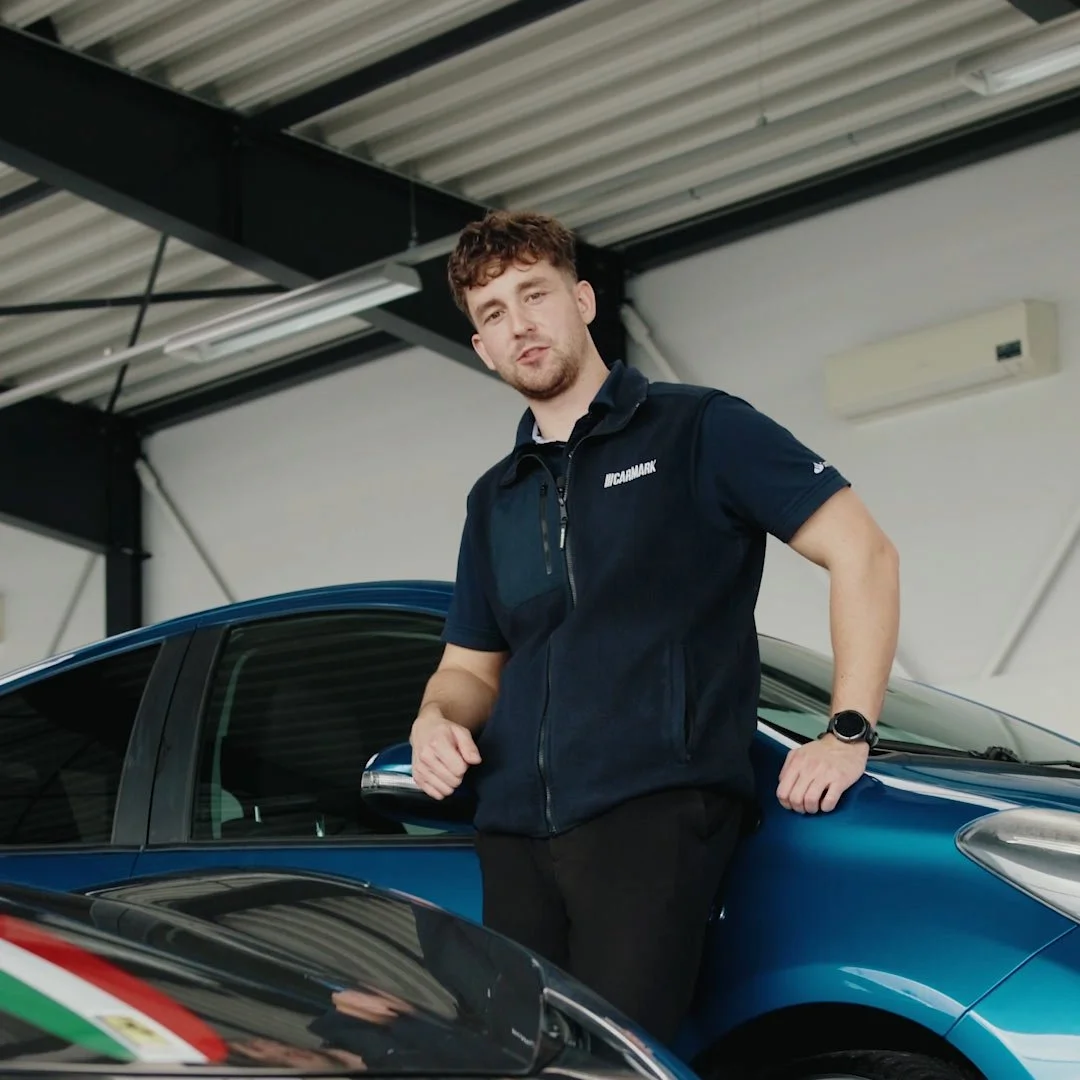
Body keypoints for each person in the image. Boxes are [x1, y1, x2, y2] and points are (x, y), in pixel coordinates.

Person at [409, 210, 900, 1043]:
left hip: (652, 814)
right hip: (514, 834)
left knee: (616, 1060)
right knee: (513, 1064)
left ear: (584, 300)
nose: (518, 323)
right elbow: (471, 666)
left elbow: (864, 553)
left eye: (534, 294)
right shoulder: (494, 497)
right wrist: (435, 718)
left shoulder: (699, 429)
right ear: (482, 349)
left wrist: (847, 729)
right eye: (492, 314)